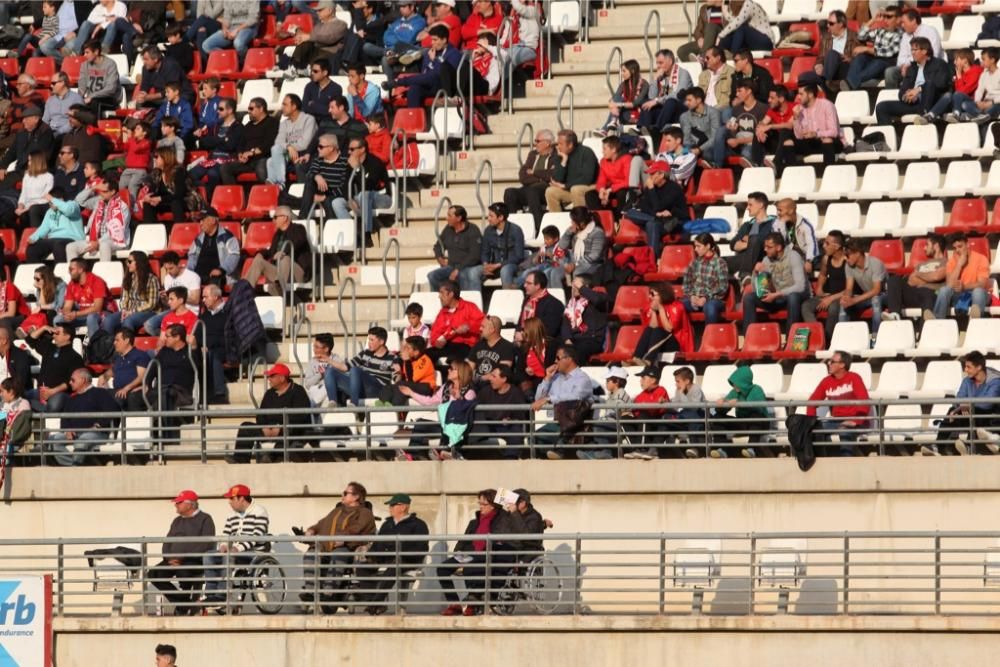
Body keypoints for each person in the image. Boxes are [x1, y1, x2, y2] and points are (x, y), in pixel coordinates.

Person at [437, 489, 517, 616]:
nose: (480, 506)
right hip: (469, 554)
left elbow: (512, 506)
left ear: (493, 505)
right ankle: (454, 604)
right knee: (442, 569)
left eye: (484, 504)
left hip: (488, 555)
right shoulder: (474, 522)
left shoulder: (502, 519)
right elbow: (462, 543)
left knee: (472, 567)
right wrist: (458, 554)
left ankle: (472, 603)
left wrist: (508, 503)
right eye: (479, 503)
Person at [300, 481, 376, 612]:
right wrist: (311, 530)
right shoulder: (337, 511)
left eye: (346, 493)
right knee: (310, 555)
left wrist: (343, 538)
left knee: (338, 554)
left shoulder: (364, 513)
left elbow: (357, 529)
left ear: (356, 496)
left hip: (348, 546)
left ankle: (328, 594)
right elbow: (322, 524)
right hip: (327, 545)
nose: (343, 495)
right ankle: (311, 592)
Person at [200, 484, 271, 608]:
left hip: (254, 552)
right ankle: (210, 594)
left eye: (232, 499)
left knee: (228, 557)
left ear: (241, 498)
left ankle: (222, 595)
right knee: (208, 555)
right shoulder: (231, 514)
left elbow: (257, 536)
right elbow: (226, 533)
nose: (229, 502)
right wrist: (223, 545)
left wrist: (237, 548)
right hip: (235, 551)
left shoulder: (260, 511)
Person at [148, 490, 216, 616]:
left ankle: (184, 606)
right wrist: (169, 558)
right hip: (173, 560)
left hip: (194, 560)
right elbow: (167, 543)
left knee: (183, 572)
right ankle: (186, 603)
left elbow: (205, 544)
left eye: (179, 503)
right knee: (153, 574)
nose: (176, 505)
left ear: (190, 504)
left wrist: (182, 558)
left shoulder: (205, 519)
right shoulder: (177, 521)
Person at [362, 493, 430, 615]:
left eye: (393, 505)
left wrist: (402, 554)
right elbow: (377, 544)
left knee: (394, 566)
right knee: (363, 568)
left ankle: (376, 603)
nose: (390, 508)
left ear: (403, 507)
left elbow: (421, 547)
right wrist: (370, 557)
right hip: (386, 558)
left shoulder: (418, 525)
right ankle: (373, 602)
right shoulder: (387, 524)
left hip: (407, 560)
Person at [929, 351, 1000, 456]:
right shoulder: (967, 381)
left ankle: (973, 446)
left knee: (972, 413)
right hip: (973, 415)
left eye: (968, 367)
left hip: (990, 418)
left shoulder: (995, 381)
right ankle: (938, 447)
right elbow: (959, 398)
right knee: (952, 412)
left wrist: (968, 405)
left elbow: (987, 404)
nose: (965, 370)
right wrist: (958, 409)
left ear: (979, 367)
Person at [404, 359, 478, 460]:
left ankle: (447, 452)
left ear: (460, 372)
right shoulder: (446, 387)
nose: (448, 371)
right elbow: (429, 401)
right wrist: (411, 393)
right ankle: (412, 454)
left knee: (448, 426)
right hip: (444, 425)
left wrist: (459, 398)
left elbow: (465, 412)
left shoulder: (469, 392)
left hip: (459, 428)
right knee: (421, 423)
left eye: (452, 369)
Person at [45, 368, 120, 467]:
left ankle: (75, 467)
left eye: (73, 380)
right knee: (53, 440)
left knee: (82, 441)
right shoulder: (71, 399)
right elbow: (64, 418)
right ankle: (74, 466)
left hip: (96, 433)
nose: (70, 382)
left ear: (83, 380)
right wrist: (67, 430)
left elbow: (113, 410)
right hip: (75, 434)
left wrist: (99, 425)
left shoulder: (100, 393)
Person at [532, 345, 595, 460]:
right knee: (534, 439)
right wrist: (547, 378)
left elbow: (575, 397)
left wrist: (549, 399)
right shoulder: (555, 378)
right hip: (558, 422)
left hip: (573, 424)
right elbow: (538, 399)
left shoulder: (582, 378)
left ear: (569, 359)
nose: (555, 361)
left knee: (537, 438)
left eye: (558, 358)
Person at [742, 232, 809, 334]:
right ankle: (750, 336)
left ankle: (790, 338)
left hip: (792, 298)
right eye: (765, 247)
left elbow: (800, 286)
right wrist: (755, 273)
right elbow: (758, 290)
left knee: (793, 297)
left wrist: (777, 294)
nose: (765, 249)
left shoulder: (793, 257)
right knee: (749, 298)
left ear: (778, 247)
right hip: (775, 298)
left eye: (769, 247)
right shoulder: (766, 260)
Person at [807, 350, 871, 456]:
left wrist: (855, 420)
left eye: (832, 362)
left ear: (842, 365)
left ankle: (846, 462)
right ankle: (827, 460)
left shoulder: (854, 378)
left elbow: (864, 401)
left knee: (845, 430)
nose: (828, 363)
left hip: (856, 421)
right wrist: (811, 422)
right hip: (836, 421)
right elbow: (811, 402)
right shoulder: (826, 381)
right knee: (817, 430)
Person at [771, 84, 844, 175]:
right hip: (811, 142)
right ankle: (793, 175)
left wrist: (816, 134)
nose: (798, 97)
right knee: (788, 142)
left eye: (801, 94)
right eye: (798, 94)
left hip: (831, 142)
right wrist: (796, 118)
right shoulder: (800, 109)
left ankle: (828, 175)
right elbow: (798, 135)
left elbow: (834, 132)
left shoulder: (827, 105)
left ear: (810, 94)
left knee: (827, 139)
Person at [874, 37, 950, 125]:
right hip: (915, 104)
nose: (912, 52)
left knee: (929, 84)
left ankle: (925, 116)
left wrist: (918, 90)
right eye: (912, 50)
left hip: (932, 103)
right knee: (882, 107)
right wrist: (907, 96)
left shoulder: (939, 64)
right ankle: (886, 136)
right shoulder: (912, 68)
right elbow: (902, 91)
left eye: (915, 50)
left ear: (924, 51)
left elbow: (941, 83)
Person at [625, 160, 688, 260]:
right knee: (629, 212)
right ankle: (653, 219)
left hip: (672, 222)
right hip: (659, 220)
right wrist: (656, 215)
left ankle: (652, 259)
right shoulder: (651, 188)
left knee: (651, 224)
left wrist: (651, 190)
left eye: (652, 174)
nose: (649, 177)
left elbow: (659, 207)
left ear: (662, 175)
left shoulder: (673, 188)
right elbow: (643, 206)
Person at [146, 324, 197, 445]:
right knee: (135, 397)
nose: (164, 339)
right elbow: (152, 368)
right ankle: (138, 439)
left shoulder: (190, 352)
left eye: (167, 336)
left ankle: (165, 437)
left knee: (165, 394)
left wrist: (194, 348)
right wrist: (147, 383)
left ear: (177, 337)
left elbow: (198, 367)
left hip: (181, 391)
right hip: (162, 389)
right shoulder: (164, 351)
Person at [244, 207, 313, 296]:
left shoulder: (298, 228)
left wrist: (284, 251)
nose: (273, 220)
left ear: (285, 218)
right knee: (258, 261)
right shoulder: (278, 234)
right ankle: (244, 291)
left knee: (285, 258)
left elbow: (298, 241)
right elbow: (271, 252)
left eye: (275, 217)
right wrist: (260, 254)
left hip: (297, 273)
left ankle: (280, 287)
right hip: (280, 274)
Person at [66, 171, 131, 262]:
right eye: (100, 191)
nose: (101, 194)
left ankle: (103, 274)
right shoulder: (98, 201)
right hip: (95, 239)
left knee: (104, 245)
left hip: (116, 241)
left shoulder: (122, 207)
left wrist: (98, 242)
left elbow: (116, 231)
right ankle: (75, 273)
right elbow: (79, 201)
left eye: (104, 191)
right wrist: (93, 188)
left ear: (112, 192)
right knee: (71, 247)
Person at [324, 326, 397, 407]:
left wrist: (399, 372)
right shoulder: (365, 353)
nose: (369, 342)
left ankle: (354, 404)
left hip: (377, 390)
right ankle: (333, 403)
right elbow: (346, 367)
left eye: (372, 340)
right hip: (359, 388)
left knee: (355, 370)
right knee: (330, 371)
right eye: (368, 339)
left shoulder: (393, 357)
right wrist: (328, 359)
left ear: (381, 341)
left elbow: (397, 379)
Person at [635, 49, 693, 148]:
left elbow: (678, 95)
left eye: (660, 63)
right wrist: (655, 80)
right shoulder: (661, 77)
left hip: (681, 110)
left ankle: (657, 131)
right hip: (665, 111)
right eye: (657, 63)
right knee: (646, 102)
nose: (658, 66)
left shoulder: (683, 73)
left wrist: (657, 101)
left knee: (670, 102)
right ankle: (643, 130)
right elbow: (652, 97)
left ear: (670, 61)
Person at [709, 365, 770, 459]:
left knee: (755, 417)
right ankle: (722, 449)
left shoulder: (757, 390)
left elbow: (759, 408)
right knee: (717, 418)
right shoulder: (734, 392)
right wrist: (721, 405)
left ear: (744, 382)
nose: (734, 385)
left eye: (736, 383)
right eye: (733, 383)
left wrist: (740, 403)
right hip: (743, 422)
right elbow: (724, 408)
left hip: (760, 423)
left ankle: (752, 448)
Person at [884, 234, 947, 320]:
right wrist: (930, 278)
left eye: (927, 245)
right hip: (914, 293)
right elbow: (911, 280)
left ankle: (924, 331)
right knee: (894, 280)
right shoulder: (922, 264)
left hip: (931, 294)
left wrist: (919, 274)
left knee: (927, 293)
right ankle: (895, 314)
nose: (924, 248)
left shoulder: (945, 262)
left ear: (936, 246)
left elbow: (936, 276)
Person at [470, 366, 528, 459]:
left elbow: (521, 415)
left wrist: (511, 420)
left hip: (506, 427)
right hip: (487, 426)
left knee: (516, 430)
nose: (490, 379)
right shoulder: (485, 391)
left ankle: (510, 459)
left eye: (494, 376)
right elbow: (475, 408)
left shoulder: (516, 393)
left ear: (504, 379)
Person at [503, 129, 556, 232]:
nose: (535, 144)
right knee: (509, 192)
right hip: (528, 188)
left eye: (537, 141)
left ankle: (539, 228)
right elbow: (523, 176)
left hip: (546, 189)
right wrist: (541, 176)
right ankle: (510, 228)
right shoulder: (533, 154)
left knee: (532, 191)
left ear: (547, 143)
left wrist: (534, 172)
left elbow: (552, 175)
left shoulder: (556, 156)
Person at [930, 233, 990, 321]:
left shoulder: (981, 259)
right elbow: (949, 285)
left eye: (960, 246)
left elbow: (982, 284)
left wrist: (964, 287)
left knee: (978, 292)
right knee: (944, 290)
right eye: (955, 248)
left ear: (967, 244)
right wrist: (959, 265)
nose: (957, 250)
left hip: (978, 295)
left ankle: (976, 322)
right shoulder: (952, 262)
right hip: (959, 296)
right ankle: (937, 321)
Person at [189, 97, 242, 198]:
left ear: (230, 110)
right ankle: (203, 192)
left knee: (212, 174)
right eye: (218, 108)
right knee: (190, 175)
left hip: (227, 160)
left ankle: (210, 201)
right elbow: (204, 142)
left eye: (221, 109)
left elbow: (230, 145)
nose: (218, 111)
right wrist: (222, 139)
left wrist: (215, 141)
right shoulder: (215, 126)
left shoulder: (238, 127)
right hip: (211, 159)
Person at [802, 230, 850, 341]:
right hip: (828, 295)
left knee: (833, 308)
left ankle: (828, 339)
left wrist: (830, 299)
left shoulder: (848, 261)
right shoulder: (826, 259)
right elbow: (823, 274)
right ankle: (817, 335)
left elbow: (849, 289)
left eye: (827, 243)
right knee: (806, 306)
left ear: (837, 246)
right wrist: (819, 287)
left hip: (841, 297)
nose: (823, 246)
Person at [219, 98, 280, 185]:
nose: (248, 111)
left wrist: (252, 152)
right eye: (248, 108)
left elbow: (270, 144)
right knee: (225, 168)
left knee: (261, 169)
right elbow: (241, 143)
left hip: (264, 158)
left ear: (261, 109)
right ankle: (235, 196)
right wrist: (240, 154)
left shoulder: (272, 123)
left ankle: (269, 194)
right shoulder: (248, 126)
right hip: (248, 161)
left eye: (251, 108)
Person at [630, 283, 694, 364]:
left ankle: (649, 359)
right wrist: (653, 311)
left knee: (659, 331)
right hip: (659, 342)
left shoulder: (677, 306)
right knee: (649, 330)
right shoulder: (649, 306)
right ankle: (636, 357)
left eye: (652, 294)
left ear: (662, 294)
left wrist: (660, 308)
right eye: (649, 294)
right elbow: (652, 328)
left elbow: (669, 328)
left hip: (676, 342)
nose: (650, 297)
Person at [401, 25, 462, 108]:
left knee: (417, 85)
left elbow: (445, 75)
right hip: (430, 84)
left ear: (444, 40)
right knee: (414, 89)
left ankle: (399, 82)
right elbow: (425, 73)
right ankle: (414, 117)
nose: (432, 43)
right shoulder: (429, 53)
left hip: (444, 87)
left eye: (435, 40)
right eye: (431, 40)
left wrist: (434, 60)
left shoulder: (454, 53)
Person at [267, 94, 318, 192]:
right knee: (272, 156)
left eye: (285, 104)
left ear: (294, 106)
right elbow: (278, 141)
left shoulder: (308, 119)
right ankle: (279, 184)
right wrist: (289, 147)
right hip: (289, 154)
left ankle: (276, 184)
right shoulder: (284, 123)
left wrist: (289, 147)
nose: (282, 107)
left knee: (271, 161)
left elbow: (305, 144)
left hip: (305, 154)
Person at [844, 6, 902, 91]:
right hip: (873, 60)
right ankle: (850, 85)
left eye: (889, 17)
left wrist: (866, 49)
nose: (885, 20)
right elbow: (860, 36)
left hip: (887, 63)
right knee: (860, 57)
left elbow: (888, 52)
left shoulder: (900, 34)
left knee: (878, 62)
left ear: (898, 19)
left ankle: (849, 83)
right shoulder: (881, 31)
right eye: (884, 16)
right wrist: (873, 20)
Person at [884, 8, 944, 90]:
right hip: (909, 67)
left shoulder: (930, 31)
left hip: (929, 66)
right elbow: (900, 60)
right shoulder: (905, 36)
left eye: (904, 22)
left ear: (913, 21)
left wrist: (909, 64)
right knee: (890, 72)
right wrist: (906, 65)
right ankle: (893, 97)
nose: (902, 25)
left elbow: (932, 55)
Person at [144, 251, 202, 337]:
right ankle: (171, 339)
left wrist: (179, 297)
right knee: (149, 325)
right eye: (166, 269)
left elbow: (196, 300)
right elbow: (169, 304)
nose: (168, 271)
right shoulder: (167, 278)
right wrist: (165, 298)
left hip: (189, 310)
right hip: (173, 310)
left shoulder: (192, 276)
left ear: (178, 264)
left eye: (171, 268)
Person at [712, 81, 767, 169]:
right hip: (738, 145)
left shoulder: (762, 108)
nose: (737, 94)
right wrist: (732, 131)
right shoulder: (737, 109)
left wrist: (738, 141)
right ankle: (718, 167)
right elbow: (735, 133)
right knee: (709, 151)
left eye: (739, 91)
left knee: (746, 153)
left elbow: (761, 136)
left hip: (753, 145)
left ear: (749, 91)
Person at [428, 205, 484, 292]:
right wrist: (440, 259)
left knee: (463, 275)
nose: (447, 218)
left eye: (450, 216)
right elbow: (438, 246)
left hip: (468, 266)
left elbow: (475, 256)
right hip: (451, 266)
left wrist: (458, 269)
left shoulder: (473, 230)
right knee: (432, 276)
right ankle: (442, 301)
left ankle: (466, 302)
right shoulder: (448, 229)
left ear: (459, 218)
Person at [102, 251, 159, 335]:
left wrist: (132, 311)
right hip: (129, 311)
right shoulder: (128, 278)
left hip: (147, 312)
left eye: (130, 262)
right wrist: (124, 310)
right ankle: (109, 346)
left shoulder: (151, 279)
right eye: (126, 261)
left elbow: (151, 304)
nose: (127, 264)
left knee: (129, 320)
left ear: (139, 263)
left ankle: (127, 346)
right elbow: (124, 298)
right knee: (108, 320)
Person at [55, 258, 114, 338]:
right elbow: (68, 305)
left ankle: (95, 346)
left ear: (80, 270)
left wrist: (76, 314)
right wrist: (66, 313)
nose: (69, 272)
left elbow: (97, 308)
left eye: (71, 269)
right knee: (58, 319)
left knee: (91, 318)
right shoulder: (72, 284)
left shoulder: (97, 281)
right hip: (82, 314)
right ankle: (64, 347)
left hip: (103, 314)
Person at [428, 281, 485, 362]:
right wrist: (436, 342)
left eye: (442, 293)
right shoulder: (442, 312)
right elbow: (434, 333)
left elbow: (483, 324)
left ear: (451, 294)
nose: (439, 296)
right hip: (447, 345)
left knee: (453, 359)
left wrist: (469, 327)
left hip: (466, 346)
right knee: (425, 355)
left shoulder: (469, 307)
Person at [621, 366, 670, 461]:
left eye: (643, 378)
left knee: (644, 415)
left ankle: (642, 449)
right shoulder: (642, 394)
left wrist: (641, 407)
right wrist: (627, 412)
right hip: (643, 423)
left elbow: (654, 410)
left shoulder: (661, 390)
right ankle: (635, 448)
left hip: (657, 423)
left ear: (653, 380)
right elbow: (633, 409)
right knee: (625, 418)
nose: (641, 381)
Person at [0, 107, 54, 191]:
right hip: (19, 170)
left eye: (26, 118)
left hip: (35, 171)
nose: (23, 121)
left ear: (36, 119)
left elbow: (42, 157)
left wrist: (29, 171)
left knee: (5, 186)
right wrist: (2, 167)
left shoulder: (45, 132)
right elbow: (12, 152)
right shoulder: (22, 132)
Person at [26, 188, 85, 263]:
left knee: (59, 245)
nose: (50, 204)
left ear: (61, 199)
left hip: (71, 238)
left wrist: (52, 199)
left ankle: (61, 272)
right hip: (54, 239)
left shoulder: (73, 205)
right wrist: (33, 237)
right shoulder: (50, 211)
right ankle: (39, 272)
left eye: (52, 202)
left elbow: (68, 210)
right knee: (33, 248)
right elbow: (44, 227)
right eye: (49, 202)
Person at [942, 47, 1000, 124]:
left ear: (992, 60)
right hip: (983, 102)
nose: (982, 62)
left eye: (984, 59)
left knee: (995, 107)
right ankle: (977, 115)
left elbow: (964, 90)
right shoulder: (984, 74)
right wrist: (977, 102)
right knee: (964, 104)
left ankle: (977, 115)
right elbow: (979, 90)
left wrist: (991, 102)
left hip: (995, 103)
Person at [545, 130, 599, 212]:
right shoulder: (561, 155)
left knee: (576, 189)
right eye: (557, 144)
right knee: (550, 192)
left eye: (561, 144)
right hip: (570, 188)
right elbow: (556, 180)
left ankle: (581, 220)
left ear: (570, 145)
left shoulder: (586, 152)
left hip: (591, 187)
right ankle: (557, 221)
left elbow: (588, 178)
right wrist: (564, 162)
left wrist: (565, 186)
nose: (558, 147)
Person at [841, 239, 887, 334]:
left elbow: (877, 290)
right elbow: (849, 288)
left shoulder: (875, 263)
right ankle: (843, 335)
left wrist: (854, 300)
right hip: (868, 296)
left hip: (885, 295)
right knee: (844, 304)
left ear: (857, 253)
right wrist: (847, 297)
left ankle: (876, 336)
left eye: (847, 255)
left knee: (876, 299)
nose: (845, 258)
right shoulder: (848, 266)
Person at [298, 134, 349, 220]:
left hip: (335, 196)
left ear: (331, 148)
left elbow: (345, 187)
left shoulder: (344, 162)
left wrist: (325, 197)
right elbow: (310, 174)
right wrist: (317, 176)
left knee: (328, 201)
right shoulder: (318, 159)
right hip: (317, 194)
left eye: (321, 147)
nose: (318, 149)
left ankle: (330, 228)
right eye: (318, 146)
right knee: (310, 182)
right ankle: (302, 218)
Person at [682, 234, 730, 324]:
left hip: (713, 299)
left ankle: (710, 336)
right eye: (695, 246)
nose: (695, 249)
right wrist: (692, 296)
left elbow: (723, 287)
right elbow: (686, 283)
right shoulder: (695, 262)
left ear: (708, 246)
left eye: (698, 246)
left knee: (710, 307)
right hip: (695, 298)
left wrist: (705, 298)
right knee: (679, 305)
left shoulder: (720, 263)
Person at [187, 210, 242, 289]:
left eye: (203, 220)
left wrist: (221, 270)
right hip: (198, 275)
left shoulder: (227, 236)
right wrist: (189, 272)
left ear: (213, 221)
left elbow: (234, 255)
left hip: (218, 276)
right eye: (200, 220)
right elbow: (192, 255)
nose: (200, 223)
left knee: (215, 281)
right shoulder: (199, 238)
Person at [560, 275, 608, 363]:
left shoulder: (597, 299)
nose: (574, 288)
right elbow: (565, 324)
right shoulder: (571, 304)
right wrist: (567, 339)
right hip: (575, 339)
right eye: (573, 286)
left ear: (586, 287)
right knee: (555, 346)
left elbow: (597, 300)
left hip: (591, 340)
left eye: (576, 286)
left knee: (577, 350)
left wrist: (581, 288)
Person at [98, 327, 149, 411]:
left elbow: (141, 377)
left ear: (126, 341)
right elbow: (113, 370)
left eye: (117, 340)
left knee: (114, 400)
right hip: (118, 391)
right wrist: (104, 376)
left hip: (133, 391)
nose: (114, 343)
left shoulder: (140, 355)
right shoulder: (118, 358)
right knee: (98, 396)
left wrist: (126, 388)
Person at [584, 136, 636, 217]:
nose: (602, 151)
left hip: (624, 189)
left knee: (621, 193)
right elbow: (601, 180)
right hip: (611, 189)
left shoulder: (627, 159)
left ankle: (619, 219)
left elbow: (628, 181)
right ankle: (602, 218)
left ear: (614, 150)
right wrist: (601, 190)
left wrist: (610, 189)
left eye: (605, 149)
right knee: (590, 195)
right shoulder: (603, 161)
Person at [596, 59, 649, 136]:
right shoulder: (623, 84)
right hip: (625, 114)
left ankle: (607, 128)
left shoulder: (644, 84)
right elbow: (614, 98)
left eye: (624, 71)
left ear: (633, 71)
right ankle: (612, 122)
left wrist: (617, 105)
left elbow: (636, 103)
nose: (622, 74)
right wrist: (612, 105)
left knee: (617, 101)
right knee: (617, 97)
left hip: (638, 115)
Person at [727, 191, 774, 278]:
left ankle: (745, 275)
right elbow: (733, 244)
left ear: (761, 205)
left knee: (755, 239)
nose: (747, 208)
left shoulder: (773, 223)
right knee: (720, 262)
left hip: (764, 259)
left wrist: (750, 241)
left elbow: (765, 242)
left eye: (750, 205)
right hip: (744, 258)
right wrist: (751, 244)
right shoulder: (747, 225)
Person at [809, 10, 859, 90]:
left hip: (846, 69)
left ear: (840, 24)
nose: (828, 26)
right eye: (827, 23)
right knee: (803, 76)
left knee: (832, 54)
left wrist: (850, 59)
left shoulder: (855, 37)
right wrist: (819, 65)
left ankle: (822, 82)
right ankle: (825, 82)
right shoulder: (825, 38)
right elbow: (820, 57)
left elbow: (863, 58)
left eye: (831, 23)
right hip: (829, 69)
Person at [479, 203, 526, 289]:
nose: (488, 219)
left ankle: (507, 297)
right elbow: (485, 252)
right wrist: (485, 264)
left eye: (491, 216)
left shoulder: (515, 230)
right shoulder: (488, 230)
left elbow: (519, 256)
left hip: (512, 265)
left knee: (505, 270)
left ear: (500, 217)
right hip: (493, 266)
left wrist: (498, 265)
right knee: (473, 272)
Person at [381, 335, 436, 406]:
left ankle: (396, 411)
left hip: (426, 388)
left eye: (408, 348)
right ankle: (382, 406)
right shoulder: (409, 359)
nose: (405, 350)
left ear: (416, 352)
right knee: (388, 387)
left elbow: (412, 379)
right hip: (410, 385)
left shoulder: (425, 360)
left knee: (401, 385)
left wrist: (407, 361)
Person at [141, 147, 190, 225]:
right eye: (154, 157)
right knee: (147, 204)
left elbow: (179, 194)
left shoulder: (178, 171)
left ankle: (179, 231)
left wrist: (159, 199)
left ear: (165, 158)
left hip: (184, 201)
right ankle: (150, 232)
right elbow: (152, 192)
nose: (154, 159)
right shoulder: (156, 173)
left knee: (175, 203)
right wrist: (149, 198)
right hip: (165, 202)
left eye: (157, 157)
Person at [198, 284, 230, 405]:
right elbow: (197, 334)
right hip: (205, 349)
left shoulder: (228, 313)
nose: (203, 300)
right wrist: (201, 345)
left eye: (206, 297)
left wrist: (208, 345)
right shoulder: (205, 316)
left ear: (216, 297)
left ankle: (219, 394)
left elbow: (229, 336)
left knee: (214, 355)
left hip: (224, 349)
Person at [558, 206, 607, 282]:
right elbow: (562, 246)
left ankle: (578, 293)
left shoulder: (597, 232)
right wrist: (568, 233)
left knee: (578, 272)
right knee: (555, 268)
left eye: (573, 221)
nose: (571, 223)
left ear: (582, 223)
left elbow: (594, 255)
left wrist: (575, 264)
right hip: (575, 260)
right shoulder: (575, 230)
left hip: (592, 263)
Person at [18, 266, 66, 338]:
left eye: (37, 279)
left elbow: (59, 305)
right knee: (39, 312)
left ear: (46, 279)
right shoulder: (40, 287)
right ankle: (29, 328)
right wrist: (42, 288)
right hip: (47, 313)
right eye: (34, 278)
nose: (35, 281)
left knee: (49, 313)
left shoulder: (61, 285)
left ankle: (34, 328)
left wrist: (41, 307)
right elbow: (40, 304)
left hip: (59, 312)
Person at [77, 40, 122, 118]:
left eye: (87, 52)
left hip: (109, 99)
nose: (84, 55)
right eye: (84, 53)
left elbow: (111, 89)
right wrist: (77, 99)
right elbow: (82, 86)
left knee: (95, 102)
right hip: (91, 99)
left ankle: (93, 127)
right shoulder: (84, 65)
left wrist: (92, 96)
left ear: (96, 52)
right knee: (76, 103)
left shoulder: (110, 64)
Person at [679, 87, 722, 165]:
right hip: (694, 146)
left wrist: (699, 149)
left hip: (710, 147)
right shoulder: (684, 116)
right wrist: (687, 150)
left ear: (699, 100)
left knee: (707, 154)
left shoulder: (713, 113)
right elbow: (687, 138)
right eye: (686, 100)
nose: (686, 103)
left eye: (689, 100)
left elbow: (715, 138)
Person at [517, 271, 564, 339]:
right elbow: (520, 323)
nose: (524, 285)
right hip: (524, 340)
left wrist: (525, 336)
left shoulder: (554, 304)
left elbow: (549, 331)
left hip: (543, 344)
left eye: (529, 283)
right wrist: (517, 333)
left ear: (538, 286)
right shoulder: (527, 300)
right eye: (525, 282)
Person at [470, 316, 517, 380]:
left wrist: (480, 378)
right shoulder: (478, 344)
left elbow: (502, 372)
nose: (480, 329)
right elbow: (469, 367)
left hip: (492, 385)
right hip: (475, 384)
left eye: (483, 326)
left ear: (492, 330)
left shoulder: (507, 347)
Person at [16, 150, 54, 229]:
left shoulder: (49, 177)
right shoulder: (27, 176)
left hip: (41, 206)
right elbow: (23, 194)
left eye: (30, 160)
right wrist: (20, 206)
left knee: (34, 210)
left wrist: (26, 208)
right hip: (27, 207)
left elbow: (45, 198)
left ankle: (36, 236)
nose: (28, 163)